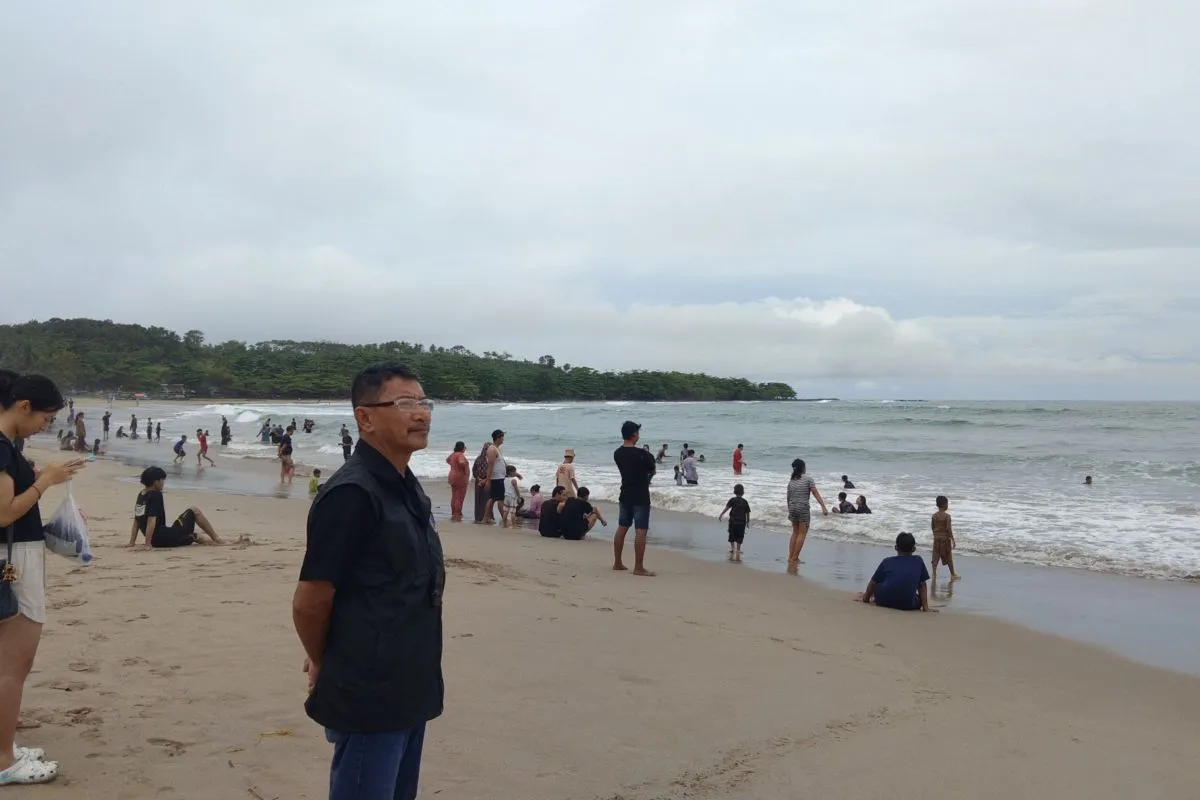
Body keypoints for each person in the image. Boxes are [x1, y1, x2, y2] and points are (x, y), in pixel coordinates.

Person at [292, 362, 444, 800]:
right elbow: (310, 601)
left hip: (410, 684)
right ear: (365, 418)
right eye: (405, 403)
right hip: (370, 693)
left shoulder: (405, 485)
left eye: (424, 402)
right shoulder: (352, 494)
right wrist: (322, 658)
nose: (421, 413)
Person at [0, 373, 85, 785]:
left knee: (9, 664)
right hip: (13, 561)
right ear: (23, 406)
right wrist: (44, 481)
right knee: (13, 666)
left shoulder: (7, 447)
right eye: (45, 418)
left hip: (15, 556)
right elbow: (4, 512)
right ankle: (3, 761)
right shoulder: (1, 448)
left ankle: (5, 747)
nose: (44, 427)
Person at [129, 467, 228, 547]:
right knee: (194, 510)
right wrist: (147, 544)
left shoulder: (141, 494)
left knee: (191, 535)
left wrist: (132, 542)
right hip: (163, 538)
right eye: (162, 480)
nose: (163, 483)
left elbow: (137, 520)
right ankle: (217, 539)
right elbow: (151, 520)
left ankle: (195, 537)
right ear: (156, 482)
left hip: (156, 540)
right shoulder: (156, 495)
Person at [613, 420, 657, 576]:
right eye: (637, 432)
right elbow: (652, 468)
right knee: (640, 530)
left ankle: (617, 562)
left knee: (622, 527)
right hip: (640, 496)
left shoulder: (617, 453)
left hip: (625, 493)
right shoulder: (642, 454)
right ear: (634, 435)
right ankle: (638, 567)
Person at [859, 532, 934, 612]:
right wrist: (925, 608)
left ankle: (871, 596)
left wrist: (865, 599)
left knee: (879, 581)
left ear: (896, 548)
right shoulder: (918, 561)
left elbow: (873, 582)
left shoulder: (887, 561)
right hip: (908, 605)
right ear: (914, 549)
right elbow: (922, 585)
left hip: (882, 601)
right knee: (917, 597)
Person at [786, 458, 827, 571]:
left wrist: (789, 509)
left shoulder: (791, 481)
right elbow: (815, 492)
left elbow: (788, 497)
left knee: (795, 532)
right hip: (802, 508)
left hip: (792, 507)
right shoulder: (808, 479)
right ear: (803, 468)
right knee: (802, 534)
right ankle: (794, 559)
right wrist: (823, 506)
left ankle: (791, 557)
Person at [479, 429, 506, 525]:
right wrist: (488, 481)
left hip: (499, 478)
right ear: (498, 438)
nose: (503, 439)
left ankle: (486, 518)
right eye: (502, 437)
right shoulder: (492, 449)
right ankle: (504, 519)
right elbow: (490, 466)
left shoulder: (496, 448)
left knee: (493, 499)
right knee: (500, 499)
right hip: (496, 479)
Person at [719, 483, 750, 561]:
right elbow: (747, 513)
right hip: (742, 523)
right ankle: (738, 549)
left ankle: (733, 549)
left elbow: (727, 508)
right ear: (743, 492)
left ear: (734, 491)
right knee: (740, 536)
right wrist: (747, 522)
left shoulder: (732, 500)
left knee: (731, 535)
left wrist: (721, 514)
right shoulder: (745, 502)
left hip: (733, 521)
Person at [931, 495, 959, 580]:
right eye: (947, 504)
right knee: (949, 556)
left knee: (935, 556)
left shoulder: (934, 516)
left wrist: (936, 535)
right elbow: (948, 529)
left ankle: (934, 573)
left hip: (937, 539)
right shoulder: (947, 516)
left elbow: (932, 527)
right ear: (944, 505)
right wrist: (953, 540)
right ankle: (953, 574)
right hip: (945, 540)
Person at [445, 441, 470, 522]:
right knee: (460, 497)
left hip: (452, 475)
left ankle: (454, 513)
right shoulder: (460, 454)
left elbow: (447, 460)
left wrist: (453, 465)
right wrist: (464, 467)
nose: (465, 449)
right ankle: (457, 514)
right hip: (460, 477)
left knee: (454, 496)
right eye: (464, 447)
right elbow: (461, 462)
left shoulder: (453, 454)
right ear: (462, 448)